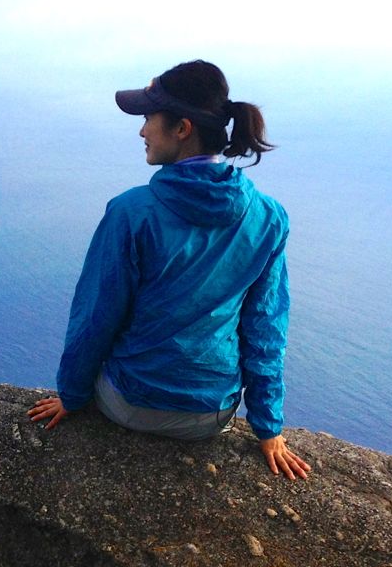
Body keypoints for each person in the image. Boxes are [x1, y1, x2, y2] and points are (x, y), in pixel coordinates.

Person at [27, 60, 310, 480]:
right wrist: (267, 427)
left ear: (182, 128)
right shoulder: (269, 218)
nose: (142, 131)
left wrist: (71, 395)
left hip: (129, 405)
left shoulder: (131, 212)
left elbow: (95, 318)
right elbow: (266, 327)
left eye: (148, 118)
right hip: (209, 415)